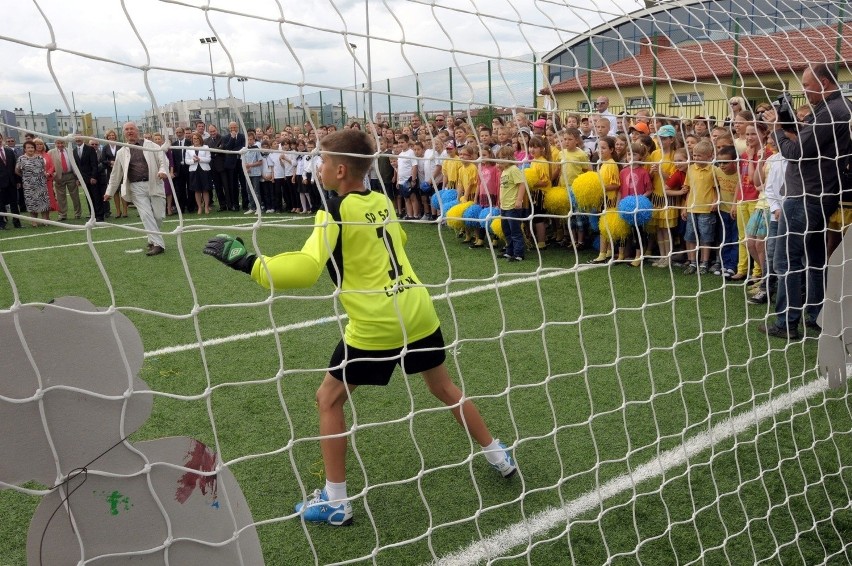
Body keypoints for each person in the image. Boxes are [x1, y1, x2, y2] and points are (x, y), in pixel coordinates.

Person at [202, 128, 516, 526]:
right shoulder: (383, 201)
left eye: (322, 160)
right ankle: (497, 455)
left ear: (339, 170)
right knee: (443, 388)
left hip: (376, 322)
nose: (317, 166)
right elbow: (396, 239)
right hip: (418, 310)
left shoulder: (333, 212)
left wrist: (246, 261)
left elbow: (305, 269)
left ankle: (336, 500)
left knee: (328, 399)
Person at [758, 63, 852, 340]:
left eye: (808, 86)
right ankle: (816, 315)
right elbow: (810, 142)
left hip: (806, 196)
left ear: (824, 82)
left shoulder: (832, 112)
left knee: (787, 259)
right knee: (814, 258)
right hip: (820, 194)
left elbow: (797, 151)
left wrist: (776, 130)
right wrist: (793, 126)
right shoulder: (838, 108)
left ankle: (787, 323)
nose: (804, 91)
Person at [104, 122, 169, 256]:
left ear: (137, 131)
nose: (129, 131)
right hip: (136, 187)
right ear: (123, 133)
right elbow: (116, 174)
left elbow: (163, 160)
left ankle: (152, 239)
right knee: (145, 215)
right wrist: (109, 191)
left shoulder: (151, 146)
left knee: (158, 215)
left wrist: (162, 171)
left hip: (154, 182)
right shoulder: (122, 152)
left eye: (131, 129)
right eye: (126, 129)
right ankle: (158, 245)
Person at [681, 140, 719, 275]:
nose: (696, 158)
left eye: (699, 156)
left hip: (706, 210)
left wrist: (715, 202)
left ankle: (704, 263)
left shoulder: (713, 170)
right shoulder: (691, 169)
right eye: (694, 155)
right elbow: (688, 190)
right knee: (689, 236)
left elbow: (716, 189)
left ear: (709, 156)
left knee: (706, 237)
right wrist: (684, 208)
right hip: (691, 209)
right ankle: (692, 262)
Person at [15, 140, 50, 226]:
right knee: (31, 202)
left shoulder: (40, 158)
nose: (30, 149)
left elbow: (43, 169)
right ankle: (34, 222)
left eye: (32, 147)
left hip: (41, 183)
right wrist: (26, 177)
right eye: (28, 147)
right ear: (25, 149)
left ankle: (45, 221)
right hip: (29, 185)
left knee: (43, 202)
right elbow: (17, 171)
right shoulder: (21, 158)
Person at [48, 139, 82, 220]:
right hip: (59, 177)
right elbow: (49, 164)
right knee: (60, 197)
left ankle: (78, 213)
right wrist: (53, 174)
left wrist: (77, 177)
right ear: (55, 143)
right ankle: (62, 215)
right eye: (58, 143)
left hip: (71, 175)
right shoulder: (51, 152)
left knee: (75, 196)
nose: (60, 145)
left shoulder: (70, 151)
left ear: (65, 143)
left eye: (62, 143)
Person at [185, 132, 212, 214]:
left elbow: (208, 159)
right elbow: (186, 161)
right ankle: (199, 207)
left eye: (197, 138)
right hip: (194, 170)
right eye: (194, 139)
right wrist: (193, 160)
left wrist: (199, 159)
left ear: (200, 139)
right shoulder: (189, 148)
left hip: (204, 170)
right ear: (192, 140)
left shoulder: (206, 147)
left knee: (205, 190)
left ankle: (206, 207)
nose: (195, 140)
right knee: (197, 190)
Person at [0, 133, 22, 229]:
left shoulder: (9, 151)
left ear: (2, 139)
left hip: (11, 182)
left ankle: (17, 223)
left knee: (14, 203)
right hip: (0, 183)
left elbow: (14, 167)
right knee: (0, 204)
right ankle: (1, 224)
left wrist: (17, 181)